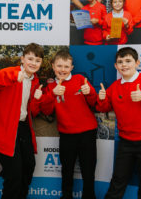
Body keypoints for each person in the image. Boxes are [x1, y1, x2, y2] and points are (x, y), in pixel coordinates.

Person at [96, 47, 141, 199]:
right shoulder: (115, 86)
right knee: (118, 180)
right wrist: (102, 97)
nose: (124, 65)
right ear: (116, 66)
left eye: (128, 61)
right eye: (120, 62)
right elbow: (103, 108)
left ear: (137, 63)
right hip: (126, 142)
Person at [0, 43, 44, 199]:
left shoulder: (35, 81)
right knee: (14, 175)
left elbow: (33, 112)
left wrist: (36, 100)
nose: (33, 63)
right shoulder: (12, 72)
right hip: (5, 129)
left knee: (29, 167)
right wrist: (12, 77)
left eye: (37, 60)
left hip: (23, 128)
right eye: (30, 59)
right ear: (22, 59)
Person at [40, 50, 98, 199]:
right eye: (59, 66)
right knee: (67, 170)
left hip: (87, 133)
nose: (63, 70)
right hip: (66, 135)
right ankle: (66, 196)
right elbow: (46, 111)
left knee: (88, 170)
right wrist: (53, 93)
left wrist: (90, 92)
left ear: (72, 67)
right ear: (53, 66)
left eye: (66, 66)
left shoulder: (80, 79)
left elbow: (95, 103)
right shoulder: (49, 87)